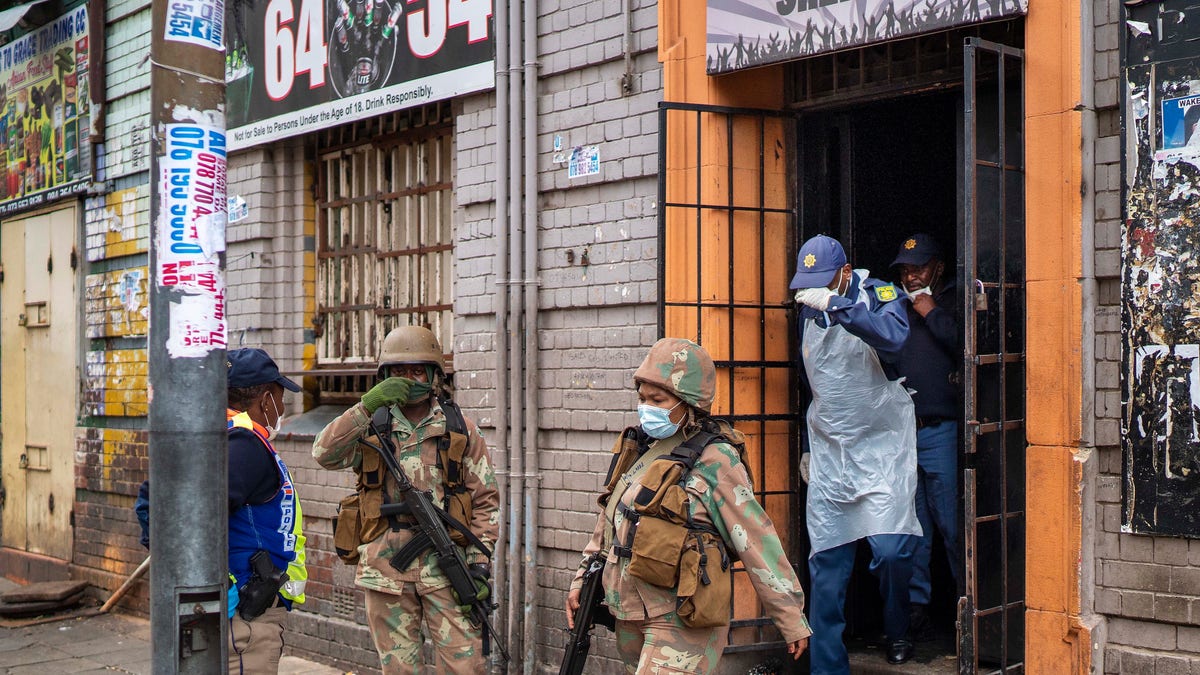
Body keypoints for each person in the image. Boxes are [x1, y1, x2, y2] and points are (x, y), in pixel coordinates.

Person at [565, 338, 811, 674]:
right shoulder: (639, 449)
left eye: (658, 399)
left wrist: (791, 617)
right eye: (642, 398)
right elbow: (608, 524)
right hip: (630, 614)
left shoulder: (715, 458)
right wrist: (582, 579)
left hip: (683, 615)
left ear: (687, 403)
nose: (646, 408)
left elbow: (756, 540)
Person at [312, 325, 499, 674]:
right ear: (384, 376)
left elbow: (485, 499)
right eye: (399, 372)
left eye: (417, 370)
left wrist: (478, 564)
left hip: (446, 568)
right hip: (386, 572)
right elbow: (323, 453)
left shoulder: (460, 428)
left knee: (466, 666)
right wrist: (367, 405)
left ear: (433, 375)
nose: (409, 378)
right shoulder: (370, 425)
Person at [791, 234, 921, 672]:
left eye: (822, 280)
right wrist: (809, 447)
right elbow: (810, 386)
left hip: (881, 449)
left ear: (845, 272)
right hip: (831, 448)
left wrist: (837, 306)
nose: (813, 290)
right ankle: (827, 666)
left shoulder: (881, 295)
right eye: (807, 283)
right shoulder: (807, 313)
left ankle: (898, 629)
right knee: (826, 566)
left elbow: (893, 338)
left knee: (891, 551)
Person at [135, 347, 309, 675]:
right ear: (266, 399)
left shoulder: (218, 435)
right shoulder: (244, 445)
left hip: (234, 616)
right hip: (242, 621)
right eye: (282, 396)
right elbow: (173, 512)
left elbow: (156, 501)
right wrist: (213, 583)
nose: (283, 407)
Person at [891, 233, 962, 641]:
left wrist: (931, 310)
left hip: (943, 431)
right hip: (901, 434)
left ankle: (965, 615)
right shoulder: (893, 305)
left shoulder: (953, 301)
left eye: (918, 267)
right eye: (905, 269)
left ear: (938, 267)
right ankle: (914, 614)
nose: (911, 275)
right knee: (910, 528)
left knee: (953, 526)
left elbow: (967, 345)